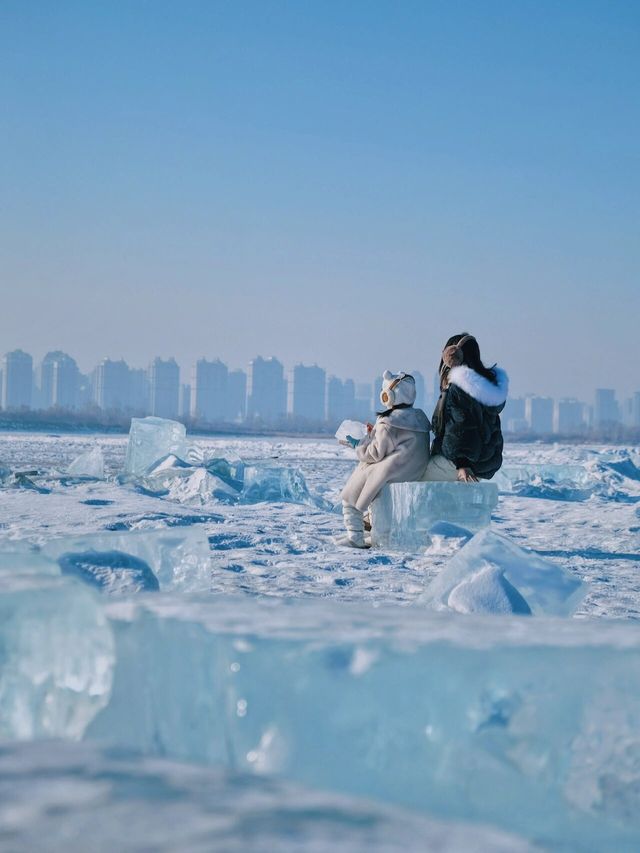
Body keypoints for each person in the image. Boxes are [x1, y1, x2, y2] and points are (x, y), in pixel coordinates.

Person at [338, 371, 431, 548]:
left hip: (391, 472)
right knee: (371, 492)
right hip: (411, 470)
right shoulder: (419, 418)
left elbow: (374, 454)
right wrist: (374, 433)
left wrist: (357, 444)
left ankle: (354, 537)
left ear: (388, 396)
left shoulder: (388, 422)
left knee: (350, 495)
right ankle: (373, 534)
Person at [423, 333, 508, 483]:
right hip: (483, 464)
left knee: (416, 476)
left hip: (460, 462)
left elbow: (461, 427)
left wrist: (462, 463)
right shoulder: (488, 388)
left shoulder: (461, 387)